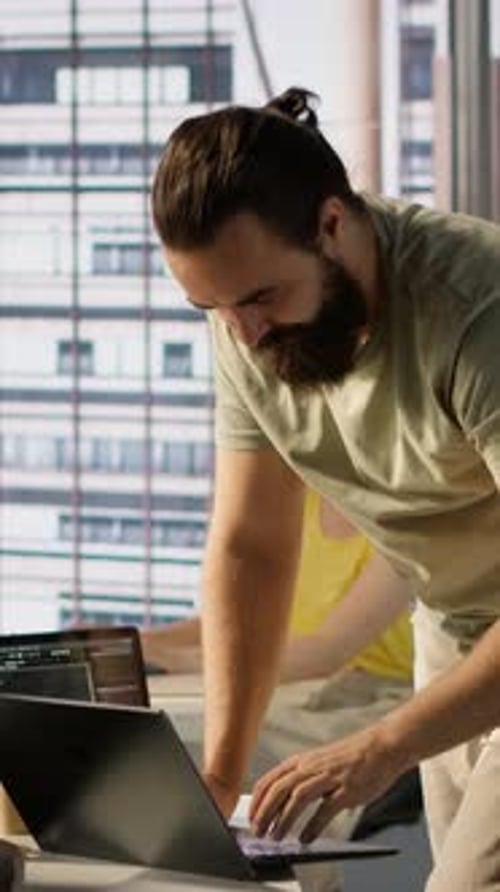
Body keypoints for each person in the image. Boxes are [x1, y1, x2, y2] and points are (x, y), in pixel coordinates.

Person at [151, 86, 500, 892]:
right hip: (453, 634)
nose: (244, 334)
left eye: (260, 299)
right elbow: (252, 546)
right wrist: (221, 776)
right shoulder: (246, 317)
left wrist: (382, 747)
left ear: (333, 224)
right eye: (212, 307)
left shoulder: (477, 310)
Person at [142, 490, 413, 892]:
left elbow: (325, 652)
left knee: (178, 741)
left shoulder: (404, 514)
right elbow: (232, 614)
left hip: (362, 695)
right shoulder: (296, 500)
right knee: (143, 717)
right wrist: (135, 642)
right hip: (282, 682)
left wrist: (167, 655)